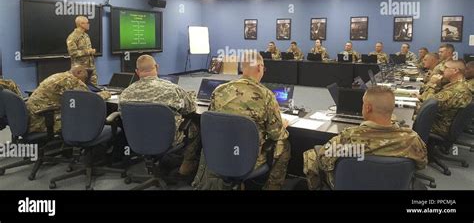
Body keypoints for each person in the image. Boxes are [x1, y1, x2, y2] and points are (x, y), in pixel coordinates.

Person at [192, 52, 290, 190]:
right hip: (247, 158)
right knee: (284, 144)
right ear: (260, 67)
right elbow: (276, 134)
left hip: (219, 152)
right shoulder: (266, 94)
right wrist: (283, 124)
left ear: (242, 68)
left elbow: (214, 119)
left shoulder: (219, 90)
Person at [303, 86, 427, 190]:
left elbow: (324, 160)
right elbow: (422, 164)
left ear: (367, 108)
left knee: (312, 155)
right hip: (394, 185)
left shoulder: (349, 137)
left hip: (350, 185)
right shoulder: (412, 139)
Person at [119, 55, 200, 176]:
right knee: (196, 125)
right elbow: (190, 109)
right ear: (157, 67)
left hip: (138, 138)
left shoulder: (125, 93)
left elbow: (122, 115)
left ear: (137, 72)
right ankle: (187, 163)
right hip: (168, 139)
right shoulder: (172, 89)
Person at [26, 66, 111, 133]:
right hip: (43, 122)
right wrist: (106, 93)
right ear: (79, 72)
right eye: (84, 79)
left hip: (31, 119)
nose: (84, 83)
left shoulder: (58, 76)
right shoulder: (72, 80)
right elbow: (90, 99)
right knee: (92, 120)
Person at [418, 60, 472, 138]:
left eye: (445, 67)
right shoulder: (459, 85)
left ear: (455, 70)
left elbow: (427, 103)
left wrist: (433, 84)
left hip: (439, 126)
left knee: (405, 120)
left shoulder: (456, 90)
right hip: (441, 120)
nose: (442, 70)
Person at [67, 16, 98, 85]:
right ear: (81, 24)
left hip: (90, 67)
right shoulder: (72, 37)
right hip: (79, 70)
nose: (88, 24)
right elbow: (72, 53)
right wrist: (88, 51)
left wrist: (91, 52)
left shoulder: (86, 36)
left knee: (94, 87)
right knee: (80, 88)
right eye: (87, 23)